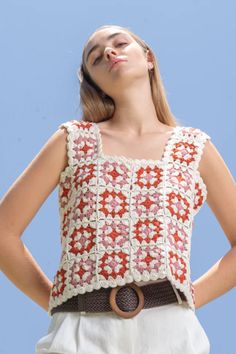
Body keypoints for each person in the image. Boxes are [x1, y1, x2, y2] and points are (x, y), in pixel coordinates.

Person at [0, 24, 235, 354]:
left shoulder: (193, 147)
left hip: (172, 332)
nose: (109, 52)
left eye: (120, 43)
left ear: (149, 57)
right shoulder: (72, 140)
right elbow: (3, 232)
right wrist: (59, 302)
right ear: (94, 83)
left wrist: (192, 297)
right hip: (81, 330)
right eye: (95, 58)